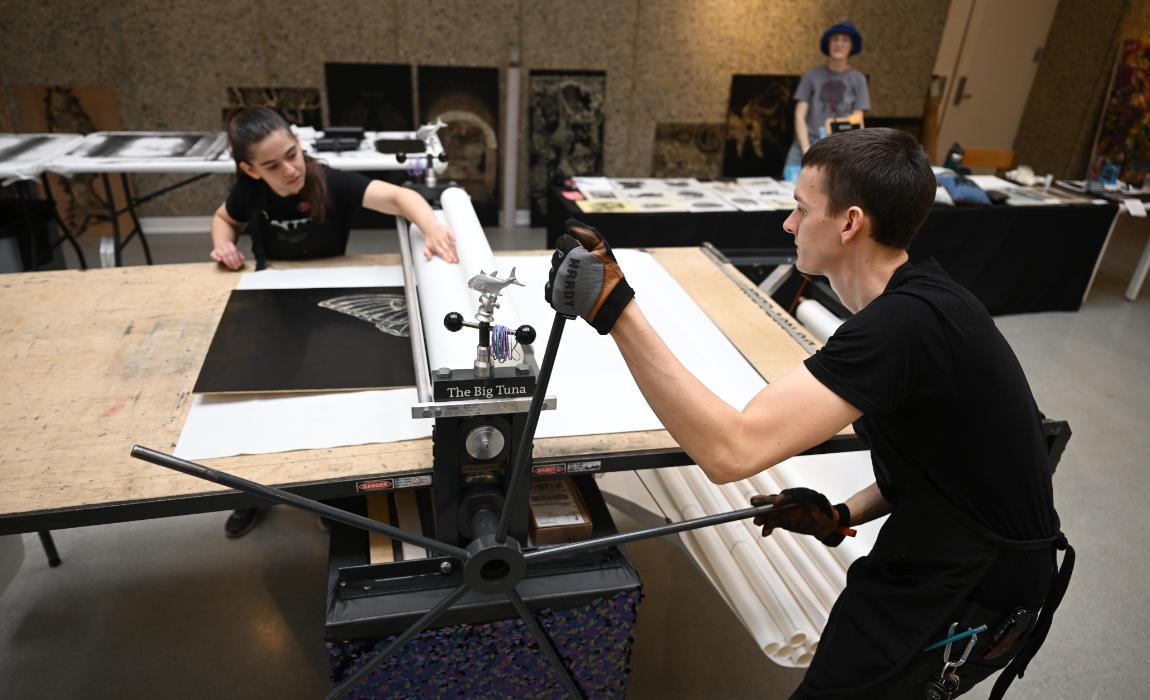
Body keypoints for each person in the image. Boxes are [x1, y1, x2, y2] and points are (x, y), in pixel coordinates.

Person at [546, 128, 1072, 698]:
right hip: (951, 552)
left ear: (849, 223)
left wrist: (617, 310)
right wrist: (843, 512)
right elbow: (946, 462)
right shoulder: (923, 300)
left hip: (972, 583)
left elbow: (731, 452)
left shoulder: (900, 327)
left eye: (801, 209)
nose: (788, 224)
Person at [212, 107, 460, 538]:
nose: (290, 169)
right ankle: (252, 493)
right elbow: (224, 220)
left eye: (293, 154)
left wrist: (431, 226)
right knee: (260, 401)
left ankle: (330, 495)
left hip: (332, 300)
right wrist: (224, 247)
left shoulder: (330, 181)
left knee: (327, 403)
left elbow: (402, 197)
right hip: (276, 300)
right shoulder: (247, 193)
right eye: (272, 165)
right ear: (249, 169)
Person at [785, 21, 870, 177]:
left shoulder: (858, 79)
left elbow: (857, 118)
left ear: (852, 46)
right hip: (804, 147)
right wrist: (806, 150)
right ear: (827, 44)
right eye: (834, 39)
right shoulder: (811, 76)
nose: (839, 44)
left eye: (845, 40)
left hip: (839, 152)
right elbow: (799, 115)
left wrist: (834, 128)